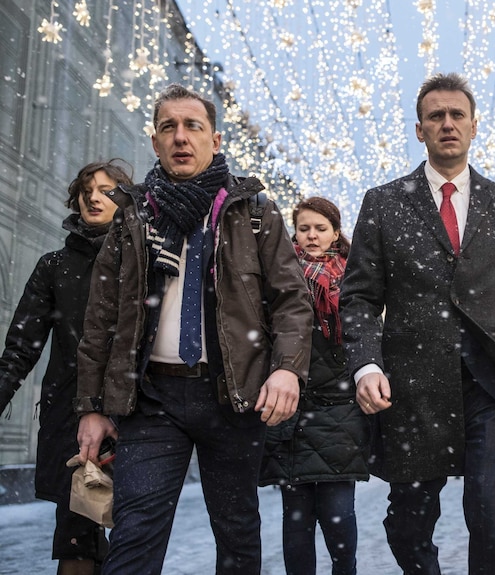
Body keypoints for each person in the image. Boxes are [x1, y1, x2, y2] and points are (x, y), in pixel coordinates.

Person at [339, 72, 495, 575]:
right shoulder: (383, 203)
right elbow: (359, 298)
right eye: (435, 116)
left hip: (492, 384)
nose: (447, 123)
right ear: (419, 130)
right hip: (410, 387)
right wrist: (365, 366)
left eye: (457, 115)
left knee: (493, 515)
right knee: (409, 520)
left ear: (473, 127)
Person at [73, 84, 314, 575]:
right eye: (169, 128)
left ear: (216, 139)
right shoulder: (134, 218)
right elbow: (100, 318)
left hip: (232, 396)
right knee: (134, 534)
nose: (181, 137)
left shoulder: (253, 214)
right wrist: (92, 408)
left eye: (193, 127)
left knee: (237, 533)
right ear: (156, 142)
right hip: (152, 400)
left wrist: (287, 370)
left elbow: (292, 301)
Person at [0, 160, 132, 575]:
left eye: (107, 190)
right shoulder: (54, 265)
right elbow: (22, 346)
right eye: (87, 189)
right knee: (77, 533)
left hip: (135, 414)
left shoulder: (143, 263)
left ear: (126, 201)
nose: (94, 197)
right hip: (73, 418)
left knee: (135, 534)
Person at [260, 197, 369, 575]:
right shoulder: (278, 275)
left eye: (321, 228)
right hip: (293, 411)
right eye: (304, 228)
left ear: (335, 232)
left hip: (340, 410)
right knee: (297, 520)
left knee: (339, 516)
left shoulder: (354, 277)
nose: (311, 235)